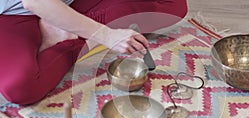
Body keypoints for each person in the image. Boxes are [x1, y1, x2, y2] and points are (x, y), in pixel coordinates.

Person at [0, 0, 187, 105]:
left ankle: (70, 25)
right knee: (20, 88)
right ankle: (70, 38)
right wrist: (106, 35)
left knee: (172, 5)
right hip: (16, 13)